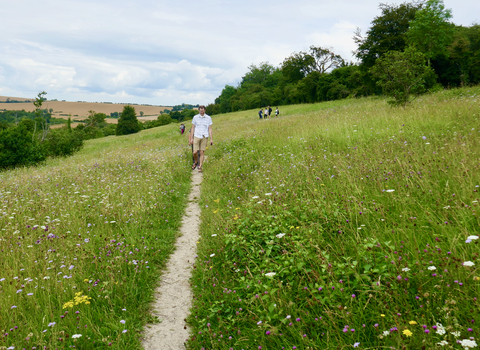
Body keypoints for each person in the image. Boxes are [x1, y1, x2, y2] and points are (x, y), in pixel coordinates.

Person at [189, 105, 213, 173]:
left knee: (202, 152)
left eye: (203, 110)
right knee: (195, 152)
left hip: (204, 136)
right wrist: (191, 138)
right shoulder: (195, 117)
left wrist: (211, 139)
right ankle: (196, 161)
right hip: (196, 135)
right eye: (200, 110)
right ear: (199, 110)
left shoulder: (208, 118)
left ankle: (200, 166)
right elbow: (193, 128)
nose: (202, 111)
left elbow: (210, 128)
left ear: (205, 110)